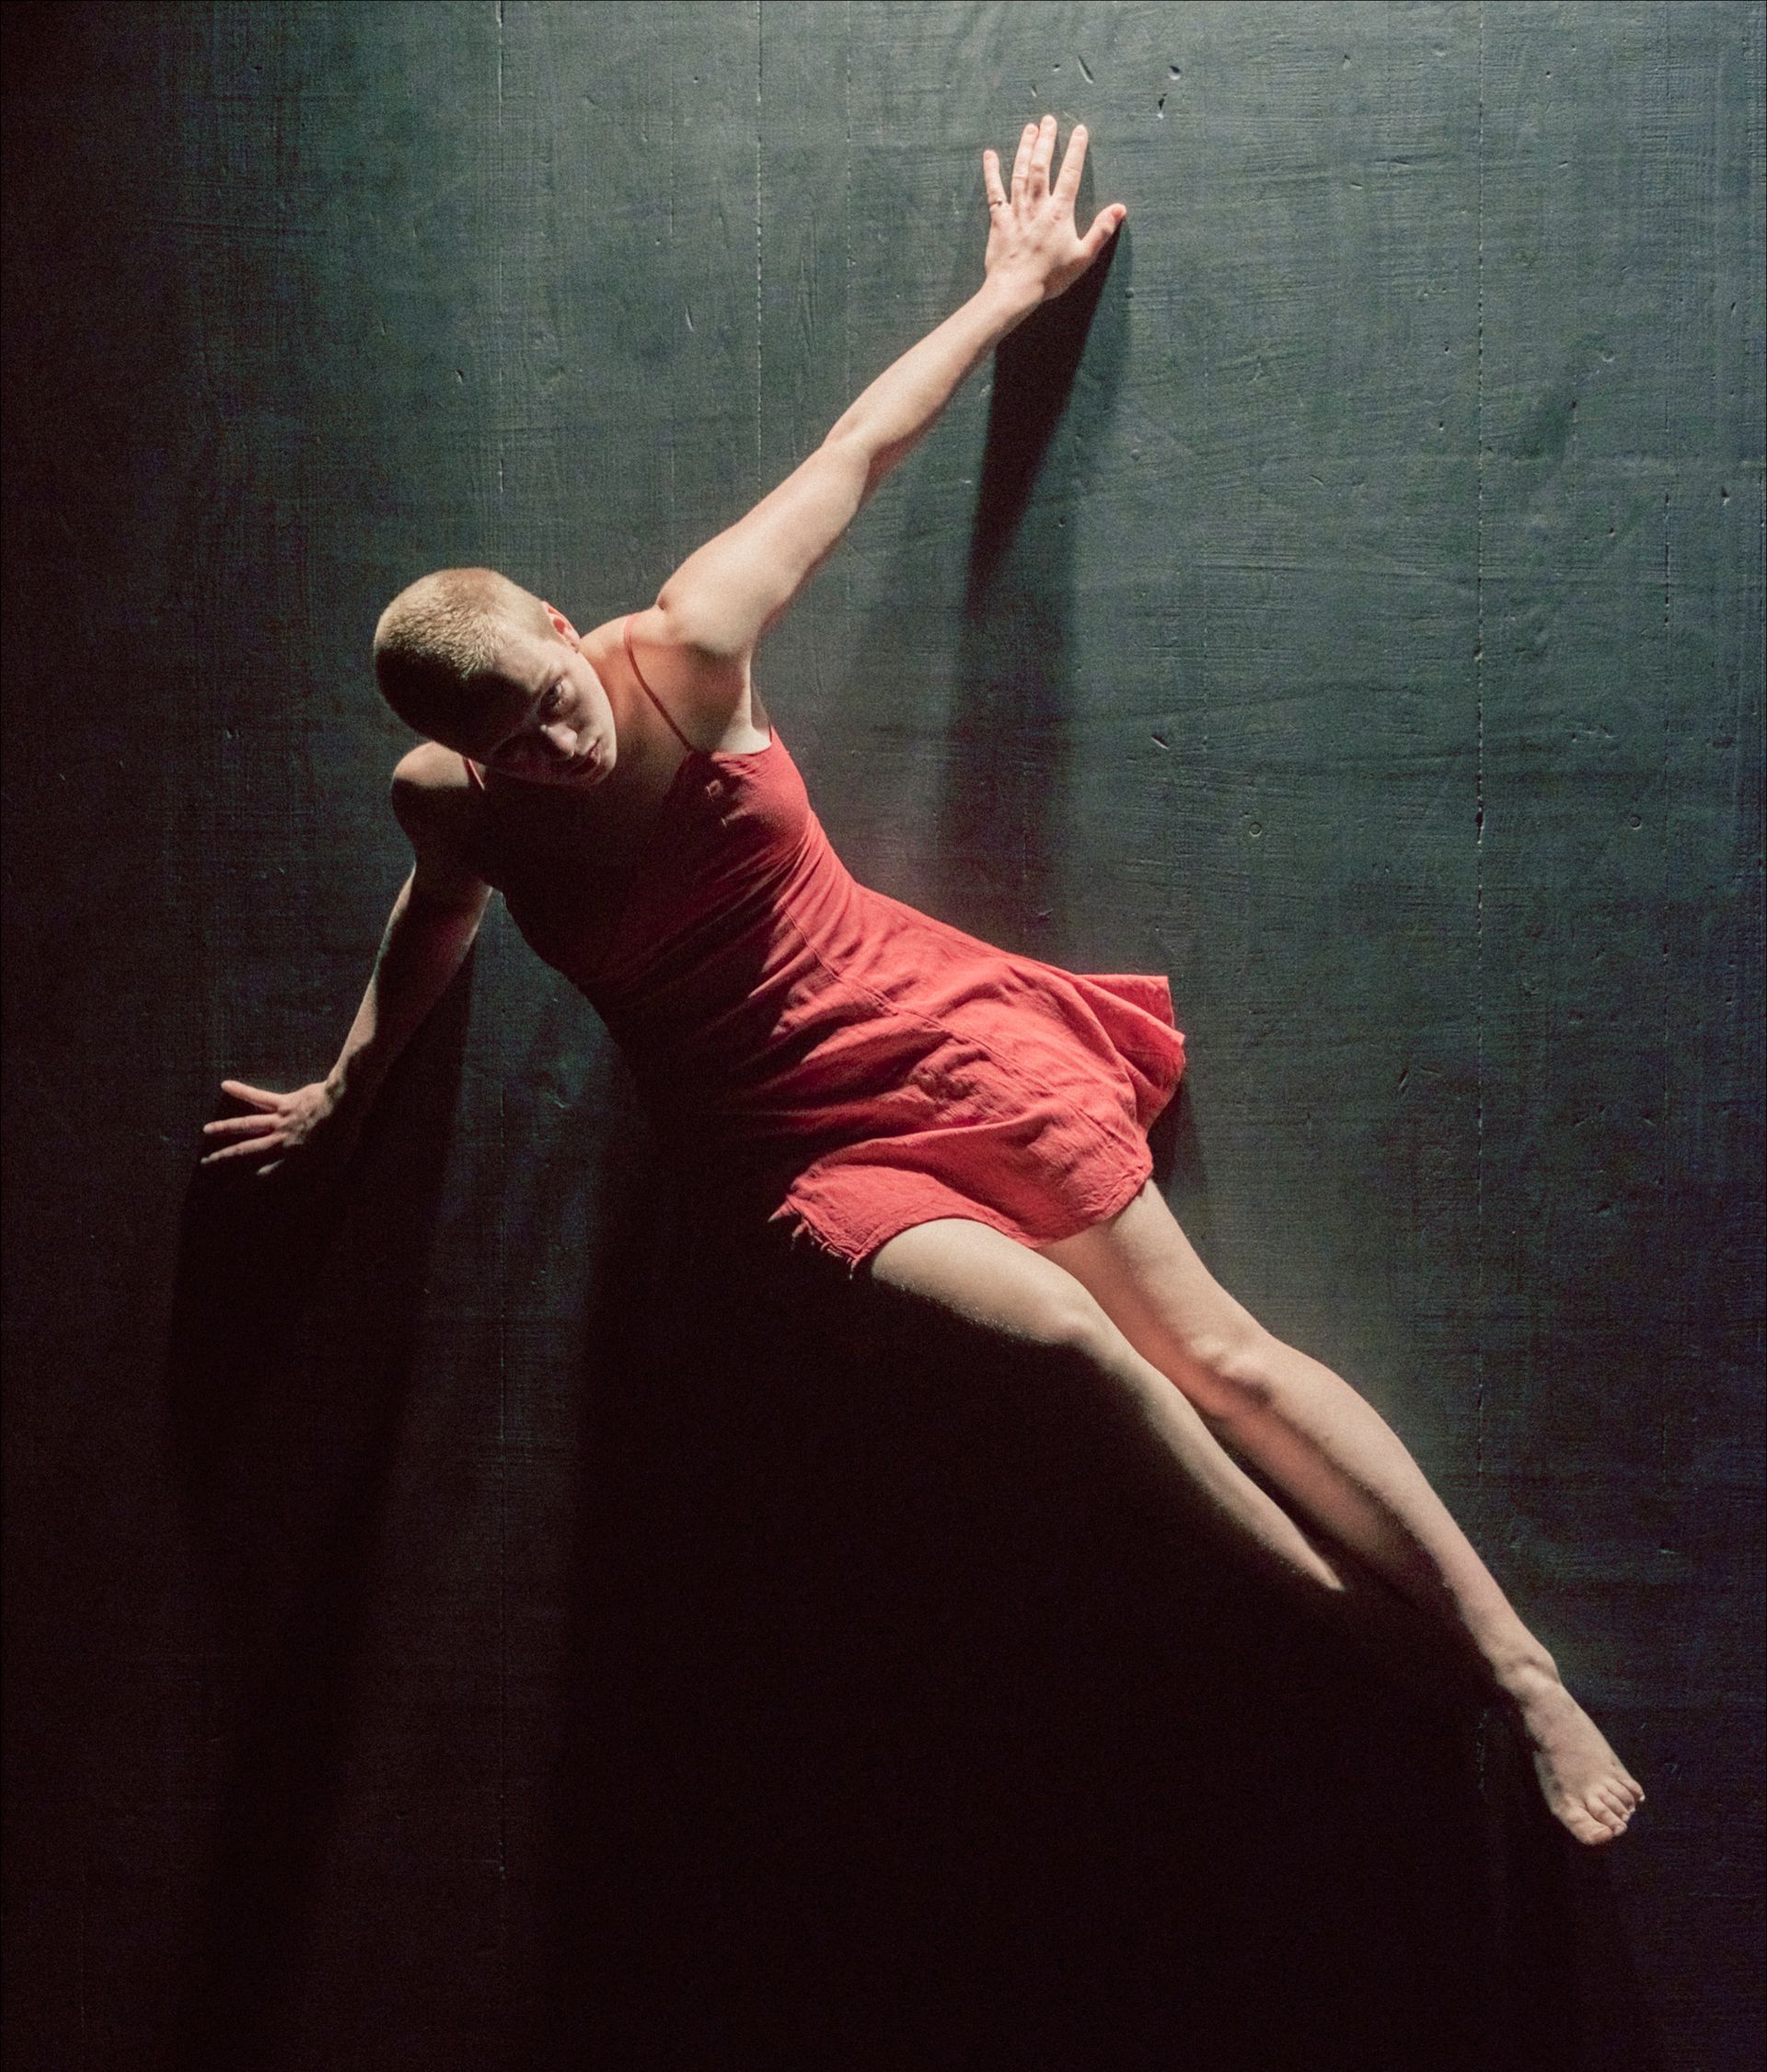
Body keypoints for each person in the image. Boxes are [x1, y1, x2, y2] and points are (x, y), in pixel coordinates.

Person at [202, 115, 1643, 1845]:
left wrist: (1009, 291)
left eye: (556, 702)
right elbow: (434, 918)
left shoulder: (690, 642)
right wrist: (351, 1083)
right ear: (463, 753)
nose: (559, 749)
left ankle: (1514, 1668)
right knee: (1072, 1353)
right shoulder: (452, 803)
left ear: (561, 631)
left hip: (929, 1038)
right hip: (784, 1147)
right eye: (515, 746)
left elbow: (858, 450)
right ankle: (1358, 1630)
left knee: (1217, 1354)